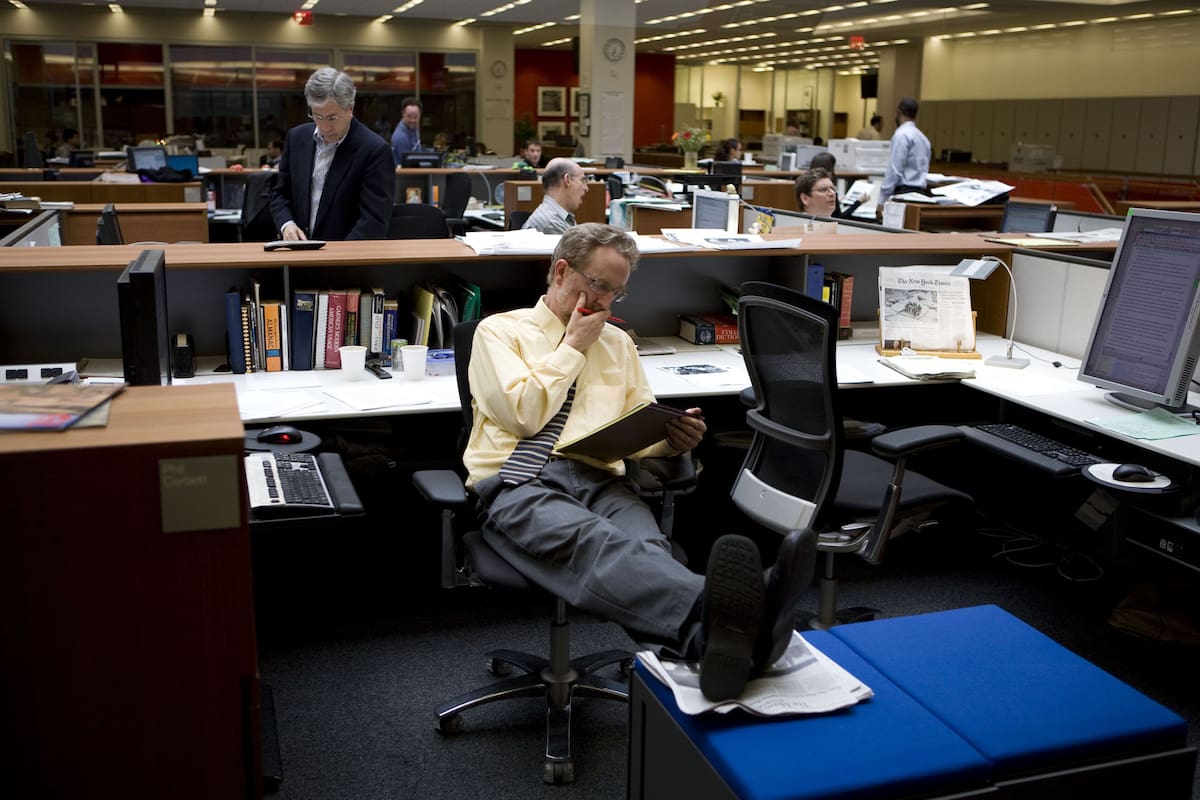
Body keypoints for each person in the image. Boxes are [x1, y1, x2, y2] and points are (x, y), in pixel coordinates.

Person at [465, 222, 815, 700]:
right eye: (599, 285)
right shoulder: (500, 332)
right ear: (562, 271)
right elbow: (525, 417)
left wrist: (670, 440)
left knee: (646, 547)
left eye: (618, 293)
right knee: (595, 541)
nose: (607, 302)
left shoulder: (619, 344)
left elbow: (637, 425)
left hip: (600, 476)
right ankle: (740, 613)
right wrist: (572, 347)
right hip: (520, 477)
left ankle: (711, 647)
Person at [269, 67, 396, 241]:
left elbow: (374, 221)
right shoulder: (297, 138)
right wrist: (287, 224)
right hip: (298, 253)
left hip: (347, 260)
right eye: (317, 116)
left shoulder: (374, 150)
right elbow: (280, 193)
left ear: (350, 109)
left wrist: (338, 258)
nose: (324, 126)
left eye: (332, 117)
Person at [880, 97, 931, 205]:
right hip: (920, 193)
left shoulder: (901, 135)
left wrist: (882, 200)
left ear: (898, 113)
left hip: (903, 194)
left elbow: (895, 170)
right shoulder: (923, 138)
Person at [522, 157, 588, 234]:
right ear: (567, 180)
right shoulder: (550, 223)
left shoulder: (559, 217)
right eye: (583, 180)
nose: (586, 188)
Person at [794, 166, 862, 220]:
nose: (832, 193)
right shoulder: (793, 231)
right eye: (823, 190)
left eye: (833, 189)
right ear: (805, 198)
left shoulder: (843, 229)